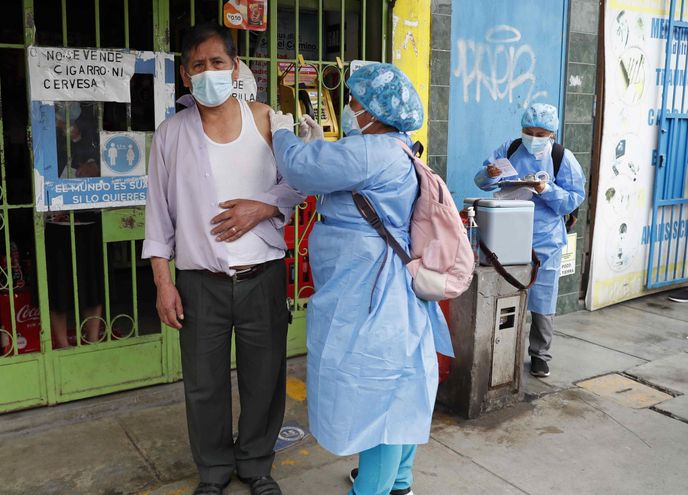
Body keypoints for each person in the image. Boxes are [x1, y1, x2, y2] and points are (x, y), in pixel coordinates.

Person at [269, 63, 454, 495]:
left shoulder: (372, 152)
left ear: (373, 111)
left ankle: (371, 489)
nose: (348, 108)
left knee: (380, 399)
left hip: (373, 291)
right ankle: (400, 481)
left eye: (353, 101)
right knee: (402, 387)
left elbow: (299, 166)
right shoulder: (395, 147)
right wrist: (322, 147)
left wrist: (280, 130)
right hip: (389, 289)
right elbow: (338, 169)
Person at [142, 23, 304, 495]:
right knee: (203, 383)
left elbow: (297, 183)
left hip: (262, 275)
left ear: (235, 67)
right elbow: (158, 216)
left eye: (218, 62)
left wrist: (265, 205)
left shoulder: (267, 120)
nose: (209, 72)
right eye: (198, 65)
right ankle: (212, 471)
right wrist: (163, 283)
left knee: (265, 378)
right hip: (199, 282)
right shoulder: (171, 134)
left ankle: (256, 464)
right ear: (186, 76)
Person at [474, 103, 586, 377]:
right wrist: (488, 175)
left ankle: (540, 355)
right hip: (506, 232)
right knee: (503, 290)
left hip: (544, 237)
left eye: (541, 132)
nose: (533, 137)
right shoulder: (509, 150)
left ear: (552, 133)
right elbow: (482, 180)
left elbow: (573, 199)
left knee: (543, 297)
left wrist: (545, 188)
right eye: (528, 131)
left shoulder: (562, 158)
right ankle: (499, 350)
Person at [45, 102, 104, 348]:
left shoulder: (90, 132)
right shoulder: (44, 132)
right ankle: (63, 345)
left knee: (93, 283)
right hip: (56, 222)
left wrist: (76, 135)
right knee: (59, 288)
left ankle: (92, 340)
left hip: (88, 217)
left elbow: (98, 165)